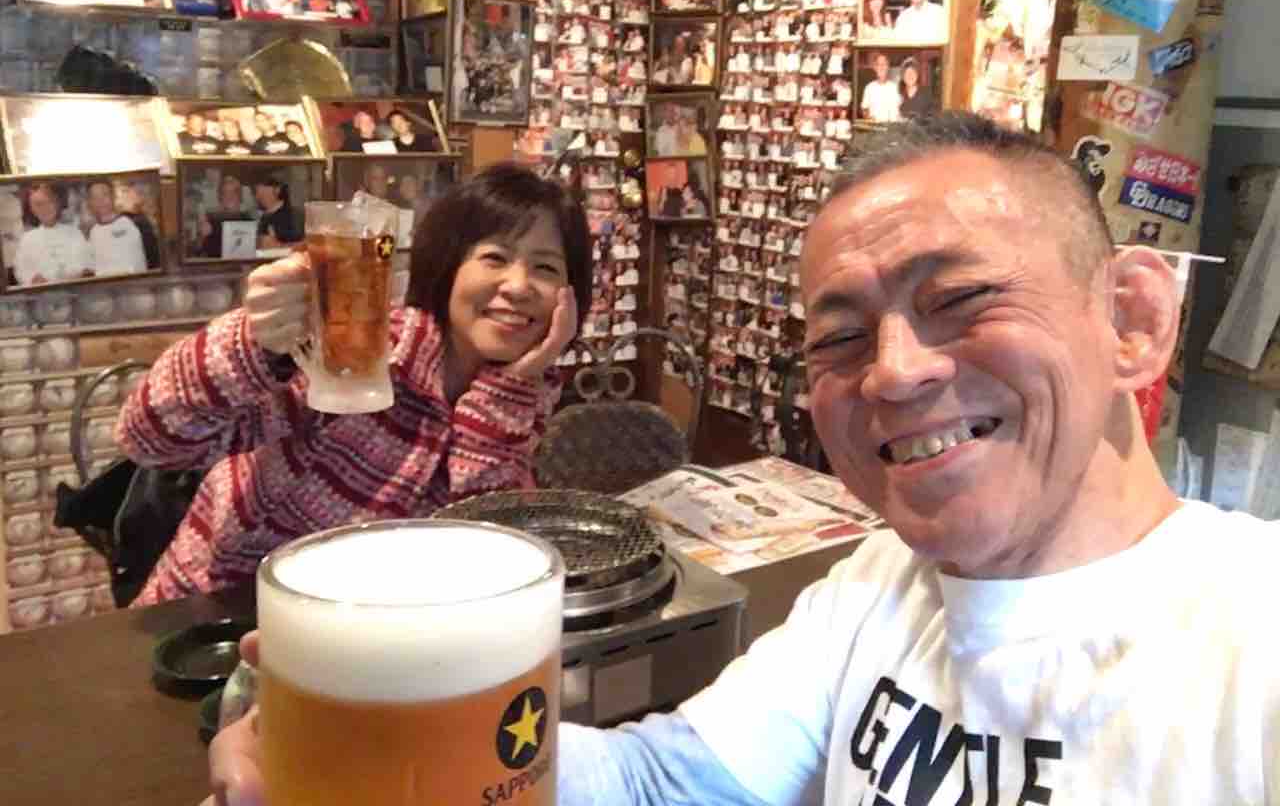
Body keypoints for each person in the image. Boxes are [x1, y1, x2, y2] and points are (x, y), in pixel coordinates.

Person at [207, 112, 1280, 802]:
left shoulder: (1251, 639)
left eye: (959, 299)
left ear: (1132, 321)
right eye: (838, 338)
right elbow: (664, 781)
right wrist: (396, 749)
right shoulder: (876, 584)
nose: (893, 373)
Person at [119, 166, 590, 606]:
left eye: (546, 268)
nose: (519, 285)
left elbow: (477, 557)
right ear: (448, 265)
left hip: (357, 632)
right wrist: (253, 342)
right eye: (495, 258)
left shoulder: (527, 393)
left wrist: (510, 390)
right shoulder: (364, 351)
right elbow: (150, 438)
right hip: (219, 610)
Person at [12, 181, 92, 285]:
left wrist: (82, 272)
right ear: (33, 210)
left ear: (57, 204)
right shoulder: (27, 239)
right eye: (38, 204)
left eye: (49, 202)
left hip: (75, 289)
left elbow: (88, 260)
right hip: (45, 292)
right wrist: (33, 278)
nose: (45, 208)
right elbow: (21, 269)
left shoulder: (74, 233)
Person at [86, 179, 148, 277]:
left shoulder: (132, 223)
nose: (100, 201)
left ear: (113, 197)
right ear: (90, 202)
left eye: (104, 194)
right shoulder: (93, 232)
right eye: (95, 197)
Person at [199, 173, 252, 258]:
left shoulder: (248, 221)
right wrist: (202, 236)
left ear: (240, 196)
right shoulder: (211, 220)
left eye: (233, 192)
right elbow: (199, 250)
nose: (229, 196)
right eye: (225, 193)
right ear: (220, 197)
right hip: (216, 265)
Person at [252, 176, 300, 251]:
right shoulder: (263, 217)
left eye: (263, 192)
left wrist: (279, 246)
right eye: (256, 192)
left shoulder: (294, 215)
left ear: (277, 189)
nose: (258, 197)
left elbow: (304, 243)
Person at [860, 51, 901, 123]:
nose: (881, 67)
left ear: (888, 67)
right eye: (878, 64)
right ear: (875, 68)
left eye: (884, 64)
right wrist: (868, 117)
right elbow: (864, 109)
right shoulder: (869, 87)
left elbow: (900, 109)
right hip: (875, 127)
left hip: (892, 127)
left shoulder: (895, 87)